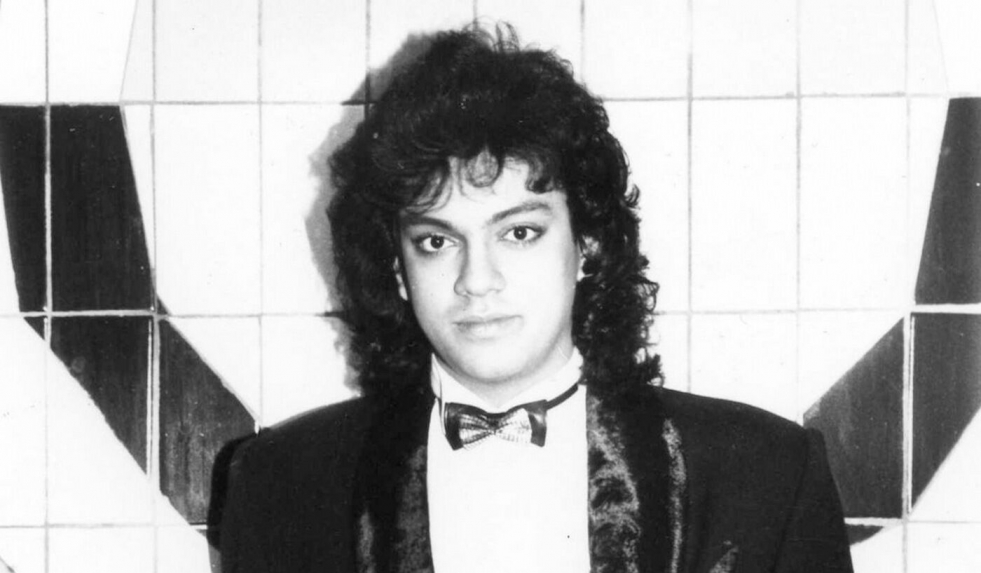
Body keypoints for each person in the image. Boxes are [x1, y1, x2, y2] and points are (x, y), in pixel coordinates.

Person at [218, 25, 853, 573]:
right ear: (397, 268)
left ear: (588, 244)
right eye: (437, 241)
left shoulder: (768, 475)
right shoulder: (280, 484)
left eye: (519, 233)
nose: (477, 280)